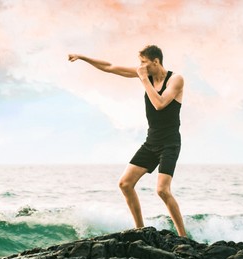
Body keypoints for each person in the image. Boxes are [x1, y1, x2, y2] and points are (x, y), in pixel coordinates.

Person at [68, 45, 187, 237]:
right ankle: (140, 230)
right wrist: (82, 57)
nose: (140, 67)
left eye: (144, 63)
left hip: (170, 143)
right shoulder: (145, 74)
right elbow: (110, 67)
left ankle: (183, 236)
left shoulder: (176, 79)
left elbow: (160, 104)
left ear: (156, 62)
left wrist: (142, 79)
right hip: (151, 142)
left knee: (162, 191)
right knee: (125, 184)